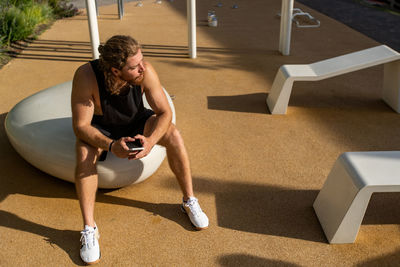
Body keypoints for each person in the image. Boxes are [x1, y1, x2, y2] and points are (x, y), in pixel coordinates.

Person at [71, 35, 209, 264]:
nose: (142, 68)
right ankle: (89, 228)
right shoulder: (86, 76)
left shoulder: (146, 71)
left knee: (174, 135)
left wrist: (151, 140)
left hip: (136, 121)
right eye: (135, 67)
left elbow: (165, 112)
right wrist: (112, 146)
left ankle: (189, 200)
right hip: (101, 126)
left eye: (142, 60)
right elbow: (81, 126)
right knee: (84, 153)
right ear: (115, 70)